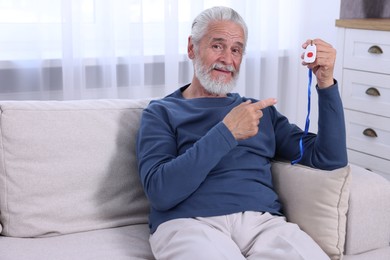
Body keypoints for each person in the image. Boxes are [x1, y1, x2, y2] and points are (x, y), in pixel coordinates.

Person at [136, 6, 347, 260]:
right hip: (190, 223)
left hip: (263, 225)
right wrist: (227, 132)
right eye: (217, 46)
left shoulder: (258, 112)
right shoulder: (161, 112)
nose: (227, 59)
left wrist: (326, 83)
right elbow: (161, 192)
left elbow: (329, 158)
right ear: (192, 48)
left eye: (236, 49)